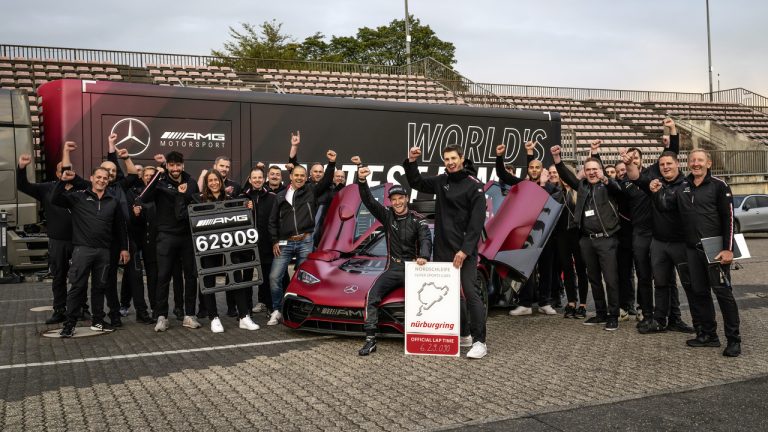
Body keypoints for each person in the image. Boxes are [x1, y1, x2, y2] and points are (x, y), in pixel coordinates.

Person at [403, 144, 488, 359]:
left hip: (464, 252)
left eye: (453, 158)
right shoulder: (441, 181)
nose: (450, 162)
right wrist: (412, 161)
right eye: (447, 159)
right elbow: (416, 182)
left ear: (461, 158)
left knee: (471, 293)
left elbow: (476, 224)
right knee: (451, 295)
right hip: (442, 249)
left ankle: (480, 342)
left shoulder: (475, 186)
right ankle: (464, 334)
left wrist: (464, 251)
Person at [660, 149, 742, 357]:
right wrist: (655, 190)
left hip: (716, 249)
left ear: (708, 163)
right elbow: (667, 209)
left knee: (723, 293)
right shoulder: (683, 186)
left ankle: (734, 340)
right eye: (692, 160)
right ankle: (708, 335)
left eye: (700, 160)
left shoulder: (719, 185)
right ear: (688, 163)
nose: (696, 163)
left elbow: (729, 218)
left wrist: (729, 249)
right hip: (692, 250)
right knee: (700, 293)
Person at [355, 163, 432, 355]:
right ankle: (370, 340)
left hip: (415, 270)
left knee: (423, 300)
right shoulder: (387, 215)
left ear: (406, 198)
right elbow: (369, 201)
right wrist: (362, 181)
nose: (397, 202)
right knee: (372, 296)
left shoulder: (418, 219)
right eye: (393, 199)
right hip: (393, 268)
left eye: (400, 198)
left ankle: (422, 337)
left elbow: (426, 238)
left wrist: (424, 256)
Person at [178, 170, 260, 333]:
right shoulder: (198, 200)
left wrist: (248, 208)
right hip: (208, 248)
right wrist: (181, 196)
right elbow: (182, 215)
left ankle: (244, 316)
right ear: (206, 183)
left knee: (236, 280)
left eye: (216, 180)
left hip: (230, 248)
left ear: (221, 182)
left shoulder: (231, 199)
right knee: (208, 282)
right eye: (210, 180)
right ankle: (214, 318)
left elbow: (242, 219)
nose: (214, 183)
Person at [625, 151, 696, 335]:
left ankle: (695, 324)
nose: (665, 167)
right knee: (661, 284)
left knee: (689, 285)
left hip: (681, 244)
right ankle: (659, 321)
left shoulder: (688, 185)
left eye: (669, 163)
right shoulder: (655, 184)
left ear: (677, 164)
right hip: (659, 243)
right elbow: (636, 177)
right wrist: (629, 164)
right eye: (662, 164)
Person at [552, 145, 622, 331]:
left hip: (607, 239)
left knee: (611, 279)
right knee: (594, 279)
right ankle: (600, 313)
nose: (592, 172)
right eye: (588, 169)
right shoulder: (581, 187)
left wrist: (605, 178)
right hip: (587, 240)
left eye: (595, 169)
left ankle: (613, 315)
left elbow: (617, 189)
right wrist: (557, 158)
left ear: (600, 170)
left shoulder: (607, 185)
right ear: (584, 171)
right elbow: (566, 176)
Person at [53, 166, 129, 337]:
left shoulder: (113, 201)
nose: (101, 180)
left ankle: (98, 321)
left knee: (99, 288)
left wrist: (124, 248)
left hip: (104, 252)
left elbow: (120, 227)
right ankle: (69, 324)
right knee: (77, 287)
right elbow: (55, 199)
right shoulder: (78, 197)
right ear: (92, 178)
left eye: (105, 178)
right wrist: (62, 181)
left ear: (108, 181)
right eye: (98, 177)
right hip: (83, 250)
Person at [267, 148, 337, 325]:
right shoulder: (280, 196)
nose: (299, 178)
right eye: (296, 175)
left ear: (306, 177)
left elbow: (326, 180)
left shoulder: (311, 191)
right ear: (290, 176)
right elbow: (272, 221)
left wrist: (331, 164)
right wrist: (275, 241)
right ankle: (277, 310)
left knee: (303, 277)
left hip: (306, 240)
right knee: (274, 277)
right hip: (285, 243)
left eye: (302, 175)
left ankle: (299, 310)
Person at [140, 151, 200, 332]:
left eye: (178, 165)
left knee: (190, 276)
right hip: (165, 236)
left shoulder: (190, 182)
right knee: (163, 276)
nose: (175, 168)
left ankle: (189, 315)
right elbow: (144, 197)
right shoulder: (159, 182)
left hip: (187, 236)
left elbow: (196, 204)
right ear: (167, 166)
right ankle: (162, 316)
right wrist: (158, 173)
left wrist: (183, 194)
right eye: (171, 165)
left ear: (183, 165)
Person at [497, 142, 557, 316]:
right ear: (528, 169)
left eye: (537, 167)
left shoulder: (551, 187)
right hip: (526, 235)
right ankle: (525, 304)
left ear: (542, 169)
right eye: (531, 167)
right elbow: (502, 174)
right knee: (525, 269)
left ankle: (545, 302)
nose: (534, 169)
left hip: (545, 234)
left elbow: (551, 202)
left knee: (546, 269)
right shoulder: (522, 184)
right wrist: (499, 157)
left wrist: (543, 185)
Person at [16, 154, 74, 325]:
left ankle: (80, 308)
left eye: (69, 170)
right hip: (57, 241)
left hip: (79, 240)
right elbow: (23, 186)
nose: (66, 173)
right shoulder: (47, 188)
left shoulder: (80, 189)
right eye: (62, 171)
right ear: (57, 174)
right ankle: (59, 310)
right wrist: (21, 167)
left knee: (80, 277)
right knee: (59, 277)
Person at [547, 164, 590, 319]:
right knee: (567, 270)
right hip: (562, 236)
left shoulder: (581, 192)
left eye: (568, 176)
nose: (565, 179)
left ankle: (583, 305)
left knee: (581, 269)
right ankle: (571, 302)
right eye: (563, 176)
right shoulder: (557, 193)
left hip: (578, 235)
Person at [241, 166, 277, 314]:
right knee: (247, 278)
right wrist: (244, 208)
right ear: (250, 180)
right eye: (254, 178)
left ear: (264, 179)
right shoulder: (242, 197)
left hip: (266, 246)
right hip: (248, 246)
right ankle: (246, 310)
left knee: (267, 278)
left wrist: (274, 241)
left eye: (259, 177)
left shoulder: (272, 197)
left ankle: (269, 307)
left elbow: (275, 221)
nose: (257, 180)